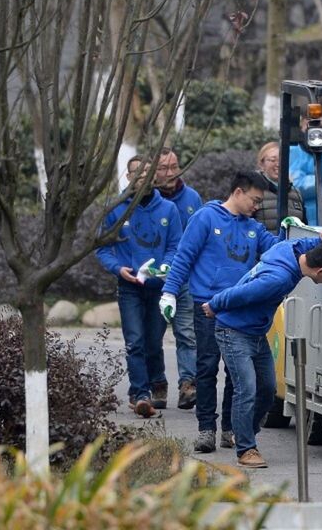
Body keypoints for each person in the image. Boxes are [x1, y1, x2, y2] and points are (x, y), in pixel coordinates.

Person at [159, 171, 283, 453]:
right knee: (206, 368)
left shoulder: (253, 227)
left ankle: (230, 428)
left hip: (238, 308)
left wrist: (292, 231)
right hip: (206, 307)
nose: (256, 206)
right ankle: (206, 429)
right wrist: (169, 292)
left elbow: (276, 248)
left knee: (235, 373)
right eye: (254, 199)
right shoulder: (206, 217)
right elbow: (184, 256)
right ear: (238, 192)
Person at [205, 237, 322, 468]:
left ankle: (243, 432)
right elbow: (241, 293)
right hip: (233, 331)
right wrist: (214, 304)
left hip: (256, 333)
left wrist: (318, 240)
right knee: (246, 389)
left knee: (268, 389)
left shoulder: (287, 250)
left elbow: (299, 242)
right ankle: (246, 449)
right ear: (321, 271)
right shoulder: (279, 280)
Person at [97, 156, 182, 418]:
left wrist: (166, 267)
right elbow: (102, 248)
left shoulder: (168, 210)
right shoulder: (116, 208)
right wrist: (117, 268)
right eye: (137, 173)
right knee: (135, 341)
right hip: (129, 285)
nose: (143, 177)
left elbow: (174, 246)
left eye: (148, 172)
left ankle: (158, 383)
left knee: (153, 341)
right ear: (128, 176)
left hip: (157, 286)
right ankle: (140, 392)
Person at [155, 150, 202, 410]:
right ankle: (157, 384)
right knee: (154, 336)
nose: (171, 173)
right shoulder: (144, 200)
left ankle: (188, 384)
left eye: (174, 166)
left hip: (184, 278)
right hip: (152, 279)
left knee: (186, 333)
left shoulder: (192, 198)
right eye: (164, 168)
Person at [290, 118, 322, 225]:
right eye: (316, 123)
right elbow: (296, 185)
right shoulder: (295, 149)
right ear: (304, 122)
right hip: (304, 216)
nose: (320, 128)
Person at [254, 141, 306, 233]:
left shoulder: (296, 193)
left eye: (282, 160)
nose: (278, 164)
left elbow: (305, 227)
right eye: (273, 160)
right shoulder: (253, 190)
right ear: (262, 164)